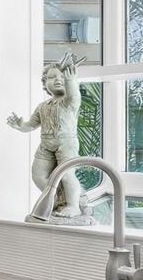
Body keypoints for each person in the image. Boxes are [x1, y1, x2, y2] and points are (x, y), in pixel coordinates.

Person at [7, 56, 86, 220]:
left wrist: (71, 80)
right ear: (45, 83)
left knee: (67, 174)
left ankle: (74, 205)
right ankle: (57, 198)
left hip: (66, 143)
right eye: (52, 77)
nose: (57, 79)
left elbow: (73, 94)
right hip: (46, 144)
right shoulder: (42, 106)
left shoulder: (69, 103)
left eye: (61, 76)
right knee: (38, 175)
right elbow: (31, 125)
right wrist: (19, 125)